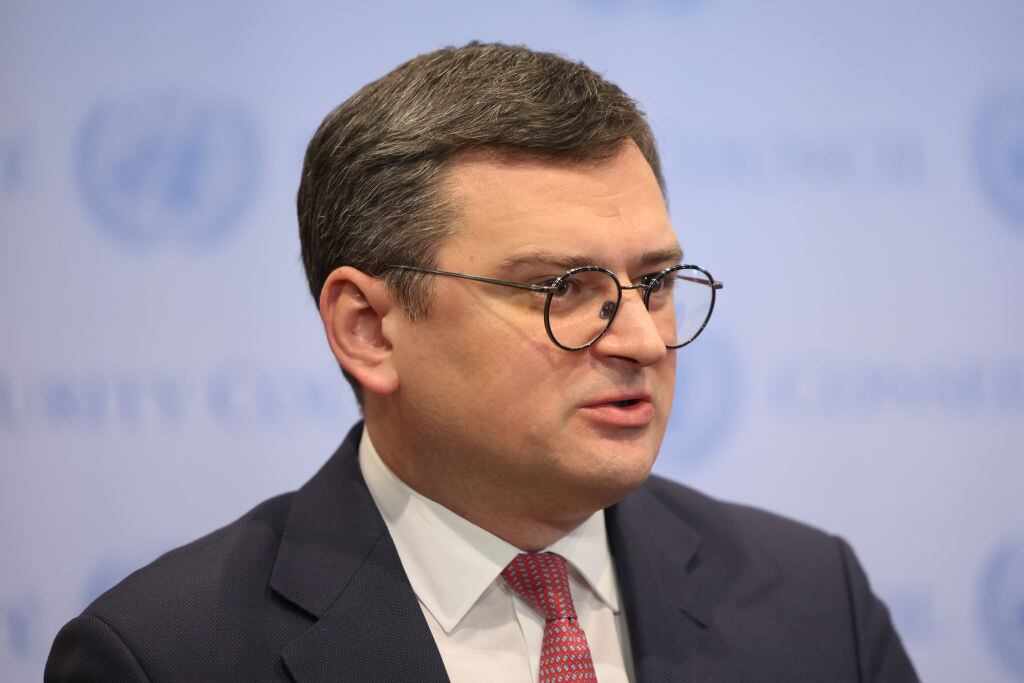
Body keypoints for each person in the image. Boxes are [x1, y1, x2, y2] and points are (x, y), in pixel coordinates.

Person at [45, 41, 919, 682]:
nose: (644, 341)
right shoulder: (162, 655)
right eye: (561, 288)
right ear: (369, 329)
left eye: (653, 282)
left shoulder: (813, 599)